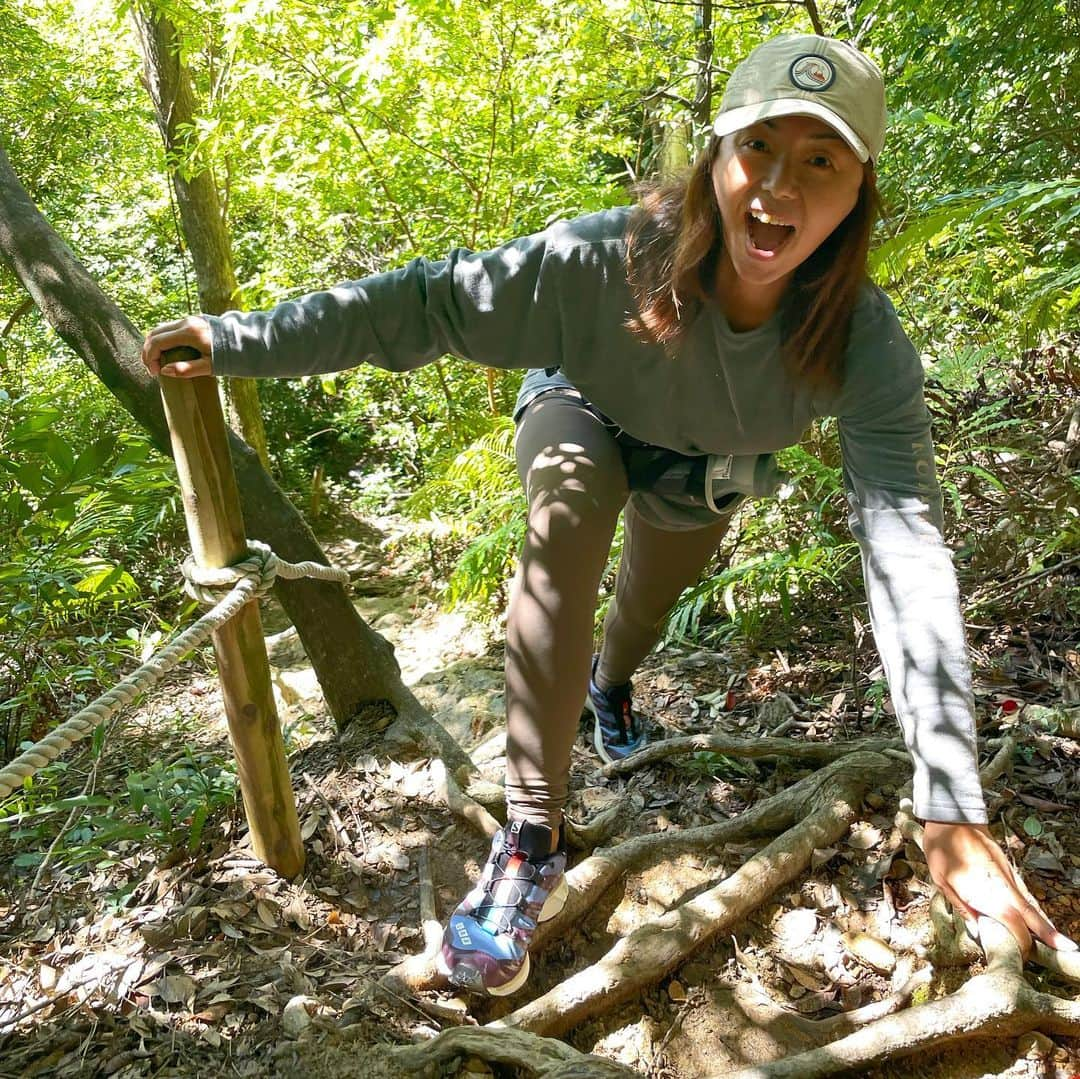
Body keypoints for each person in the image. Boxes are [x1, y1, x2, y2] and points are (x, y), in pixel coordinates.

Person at [144, 33, 1076, 997]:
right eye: (758, 146)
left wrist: (950, 801)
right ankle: (531, 831)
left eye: (820, 160)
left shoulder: (863, 344)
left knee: (646, 601)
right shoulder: (601, 260)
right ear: (715, 155)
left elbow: (906, 549)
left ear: (858, 192)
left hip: (709, 464)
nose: (778, 187)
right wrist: (235, 339)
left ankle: (611, 688)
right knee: (571, 510)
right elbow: (423, 304)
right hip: (581, 407)